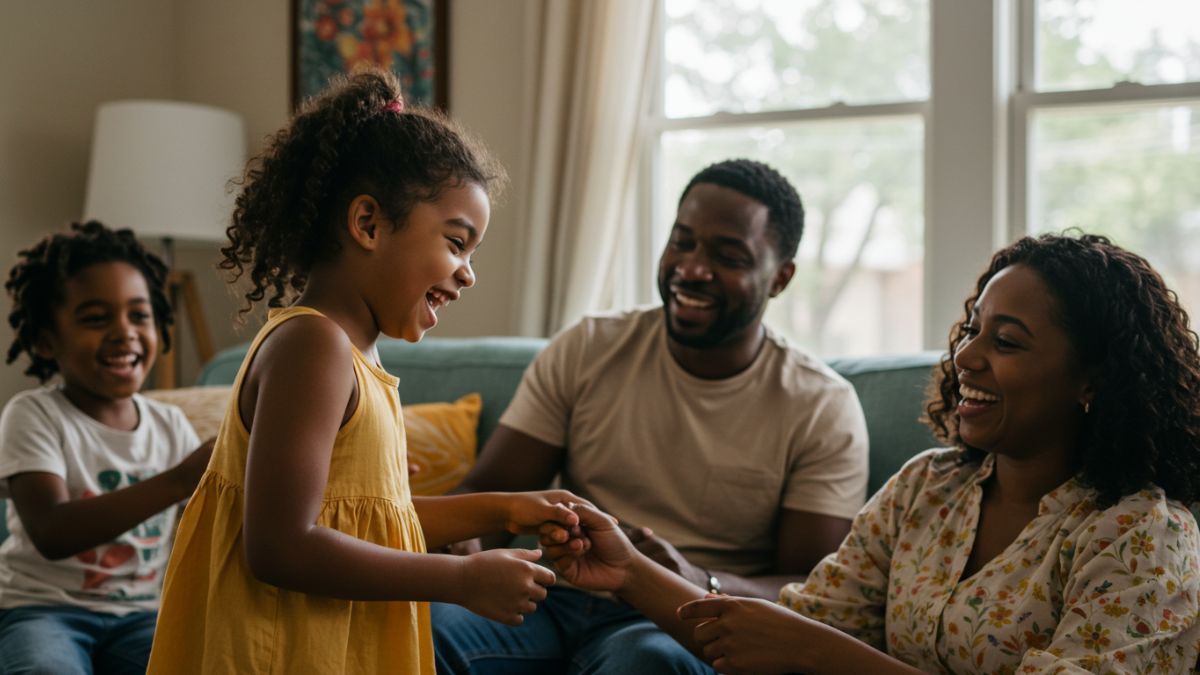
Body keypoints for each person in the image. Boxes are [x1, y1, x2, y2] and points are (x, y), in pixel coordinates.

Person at [544, 232, 1200, 674]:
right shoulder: (926, 489)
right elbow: (778, 634)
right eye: (972, 328)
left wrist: (825, 655)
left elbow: (808, 644)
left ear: (1092, 379)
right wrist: (629, 569)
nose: (965, 354)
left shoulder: (1139, 533)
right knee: (640, 650)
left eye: (1007, 341)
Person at [145, 68, 587, 675]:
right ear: (368, 224)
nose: (468, 273)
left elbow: (366, 518)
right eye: (457, 243)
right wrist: (458, 578)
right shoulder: (313, 348)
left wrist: (505, 510)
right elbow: (281, 547)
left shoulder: (353, 354)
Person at [433, 159, 870, 674]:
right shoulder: (589, 346)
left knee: (646, 664)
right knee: (431, 628)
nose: (692, 268)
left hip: (674, 617)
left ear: (780, 277)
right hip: (549, 597)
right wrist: (464, 542)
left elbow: (812, 588)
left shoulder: (820, 404)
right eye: (682, 242)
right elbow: (494, 491)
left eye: (728, 255)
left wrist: (698, 578)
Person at [0, 221, 214, 674]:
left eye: (139, 315)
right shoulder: (33, 415)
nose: (124, 332)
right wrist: (178, 480)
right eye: (96, 319)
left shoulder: (169, 424)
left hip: (141, 615)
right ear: (45, 340)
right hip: (41, 610)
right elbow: (52, 531)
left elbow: (217, 517)